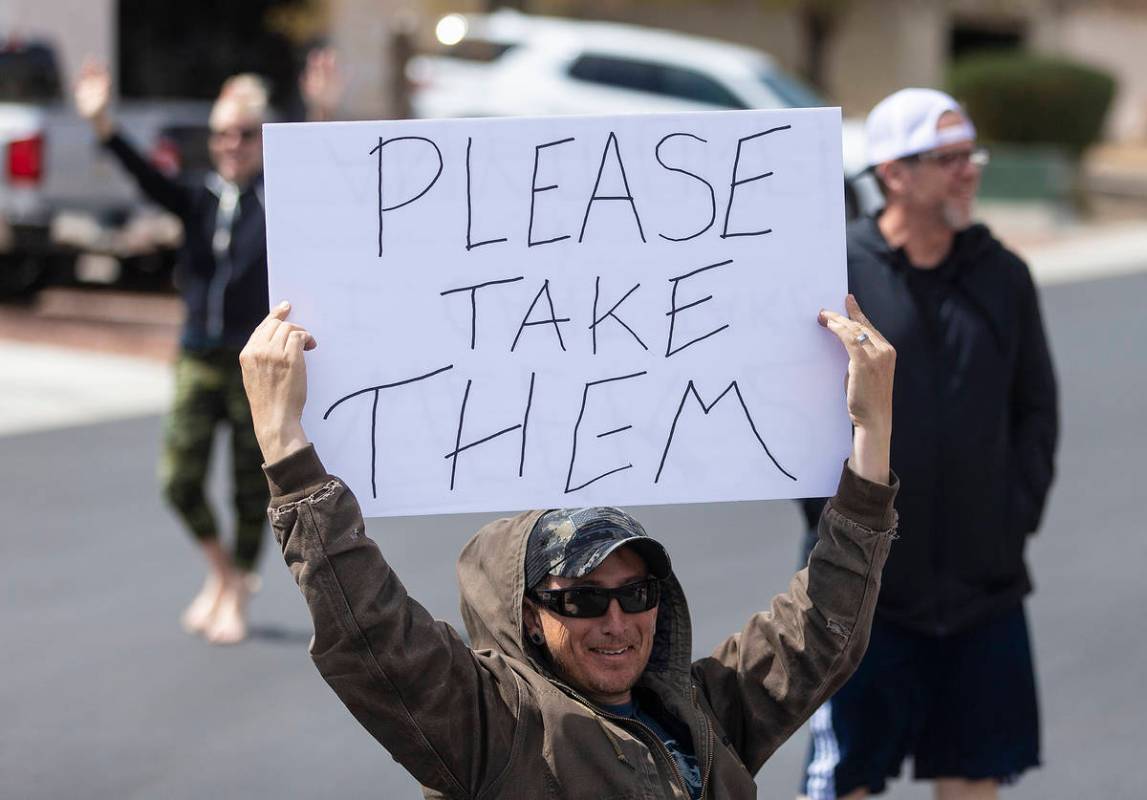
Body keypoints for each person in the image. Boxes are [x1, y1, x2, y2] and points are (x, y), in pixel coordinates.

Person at [238, 294, 897, 798]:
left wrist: (870, 433)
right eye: (581, 599)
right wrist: (285, 448)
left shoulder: (704, 710)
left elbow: (820, 629)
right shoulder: (494, 724)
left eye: (636, 593)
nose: (617, 621)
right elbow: (368, 628)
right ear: (529, 612)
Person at [797, 89, 1059, 800]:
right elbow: (797, 417)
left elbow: (1035, 413)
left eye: (967, 155)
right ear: (893, 173)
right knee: (844, 779)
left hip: (982, 591)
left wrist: (1009, 524)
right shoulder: (838, 275)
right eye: (946, 159)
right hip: (863, 595)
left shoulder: (1002, 275)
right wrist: (835, 533)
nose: (966, 172)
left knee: (974, 776)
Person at [73, 52, 342, 644]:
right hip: (197, 355)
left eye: (245, 134)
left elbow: (320, 177)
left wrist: (321, 111)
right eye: (221, 133)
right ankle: (224, 575)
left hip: (254, 365)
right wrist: (101, 123)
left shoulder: (279, 201)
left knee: (252, 490)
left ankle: (237, 588)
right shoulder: (197, 198)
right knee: (179, 480)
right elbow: (146, 178)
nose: (231, 144)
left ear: (262, 139)